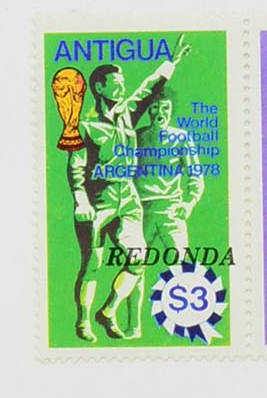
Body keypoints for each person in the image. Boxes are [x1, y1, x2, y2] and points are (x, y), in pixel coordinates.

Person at [67, 42, 189, 341]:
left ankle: (108, 310)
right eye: (115, 83)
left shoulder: (128, 114)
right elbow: (76, 166)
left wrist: (171, 63)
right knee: (93, 264)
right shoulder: (85, 125)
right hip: (99, 198)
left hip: (128, 196)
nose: (122, 88)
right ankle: (83, 321)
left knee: (138, 259)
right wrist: (81, 200)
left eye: (122, 83)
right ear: (99, 87)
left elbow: (149, 87)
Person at [135, 86, 206, 259]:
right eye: (155, 107)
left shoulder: (182, 138)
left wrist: (189, 203)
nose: (160, 113)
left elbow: (196, 176)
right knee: (135, 266)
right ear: (148, 110)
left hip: (171, 212)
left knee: (181, 263)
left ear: (172, 110)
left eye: (166, 107)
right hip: (141, 213)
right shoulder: (136, 137)